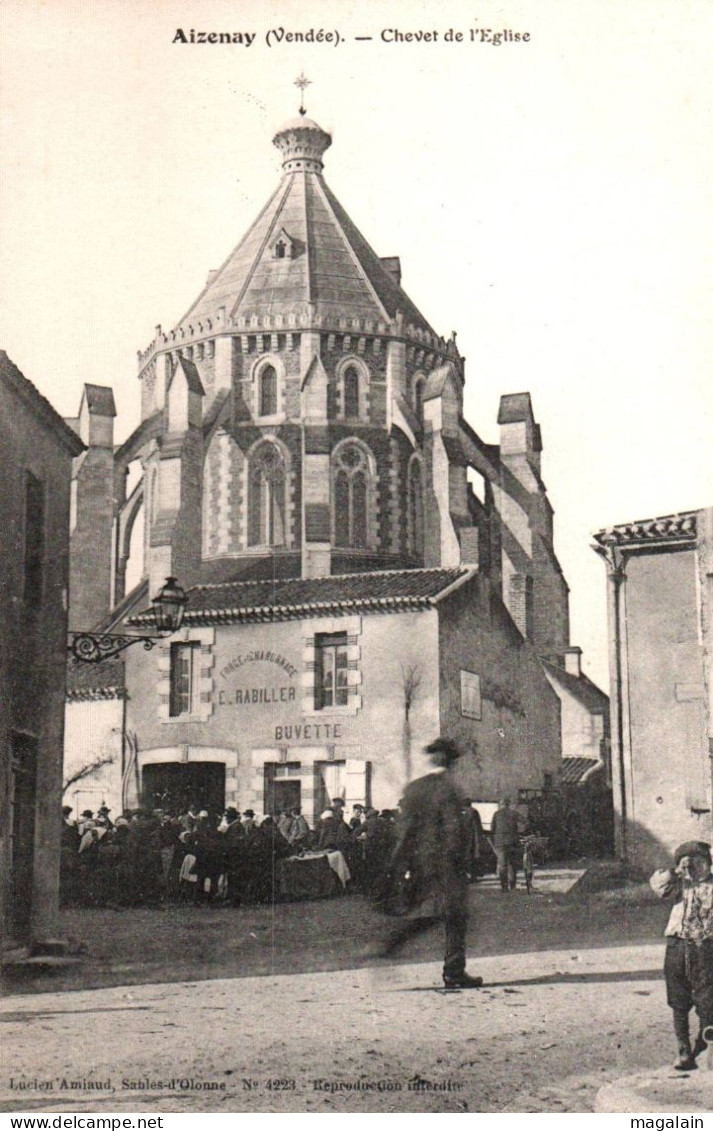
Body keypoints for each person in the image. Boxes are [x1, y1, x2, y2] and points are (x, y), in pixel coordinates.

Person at [377, 737, 483, 989]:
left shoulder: (414, 788)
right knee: (455, 915)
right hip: (447, 864)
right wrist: (463, 864)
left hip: (418, 863)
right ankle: (454, 971)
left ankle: (393, 942)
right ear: (451, 762)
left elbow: (403, 832)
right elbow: (454, 832)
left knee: (430, 910)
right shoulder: (450, 789)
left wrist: (398, 865)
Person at [650, 840, 713, 1070]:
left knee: (708, 1000)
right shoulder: (679, 886)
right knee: (678, 999)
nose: (696, 867)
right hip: (677, 946)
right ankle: (683, 1049)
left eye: (701, 862)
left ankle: (705, 1047)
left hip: (706, 948)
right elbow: (658, 886)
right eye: (690, 862)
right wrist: (677, 871)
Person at [491, 797, 522, 891]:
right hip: (512, 841)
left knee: (502, 865)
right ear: (509, 804)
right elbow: (525, 822)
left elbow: (492, 828)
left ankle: (504, 887)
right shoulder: (514, 813)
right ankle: (513, 885)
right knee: (512, 863)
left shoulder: (496, 814)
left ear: (501, 804)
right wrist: (519, 831)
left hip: (500, 842)